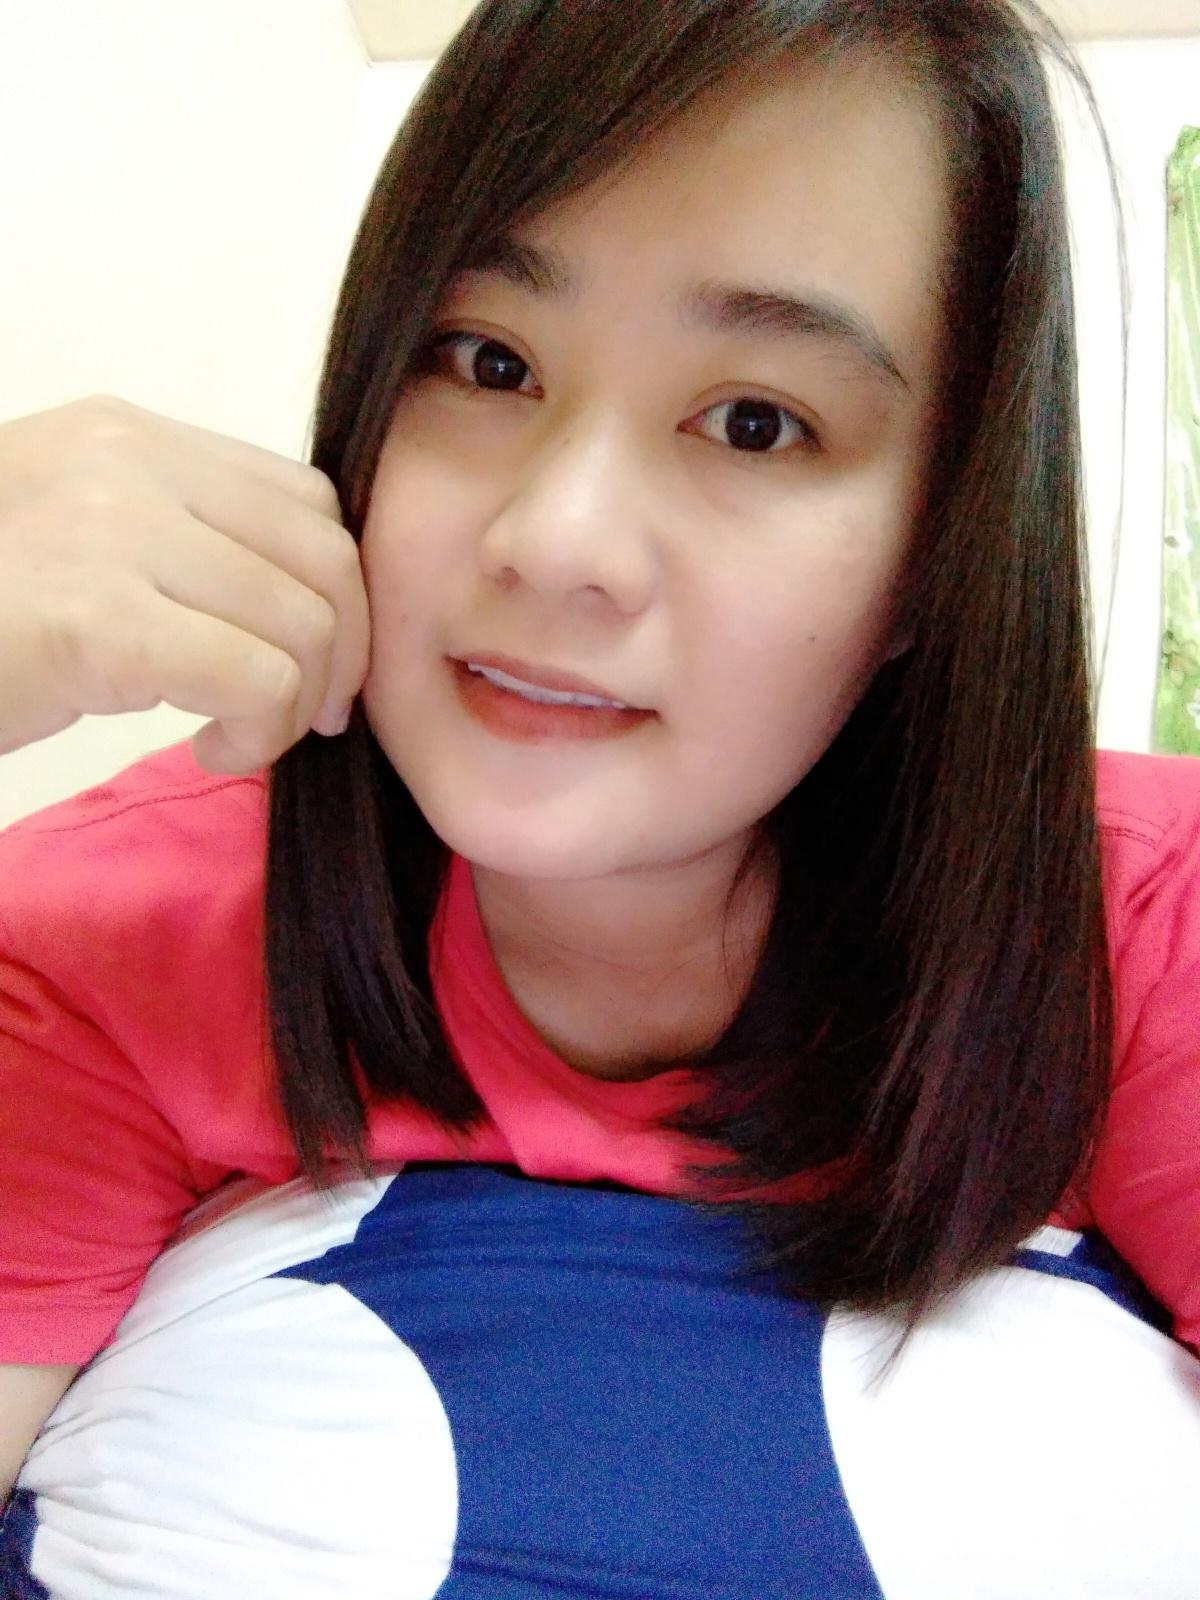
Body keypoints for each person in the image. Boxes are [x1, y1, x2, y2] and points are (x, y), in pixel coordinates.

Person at [1, 0, 1198, 1571]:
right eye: (487, 361)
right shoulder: (116, 931)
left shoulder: (1141, 923)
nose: (555, 539)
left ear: (938, 553)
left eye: (756, 424)